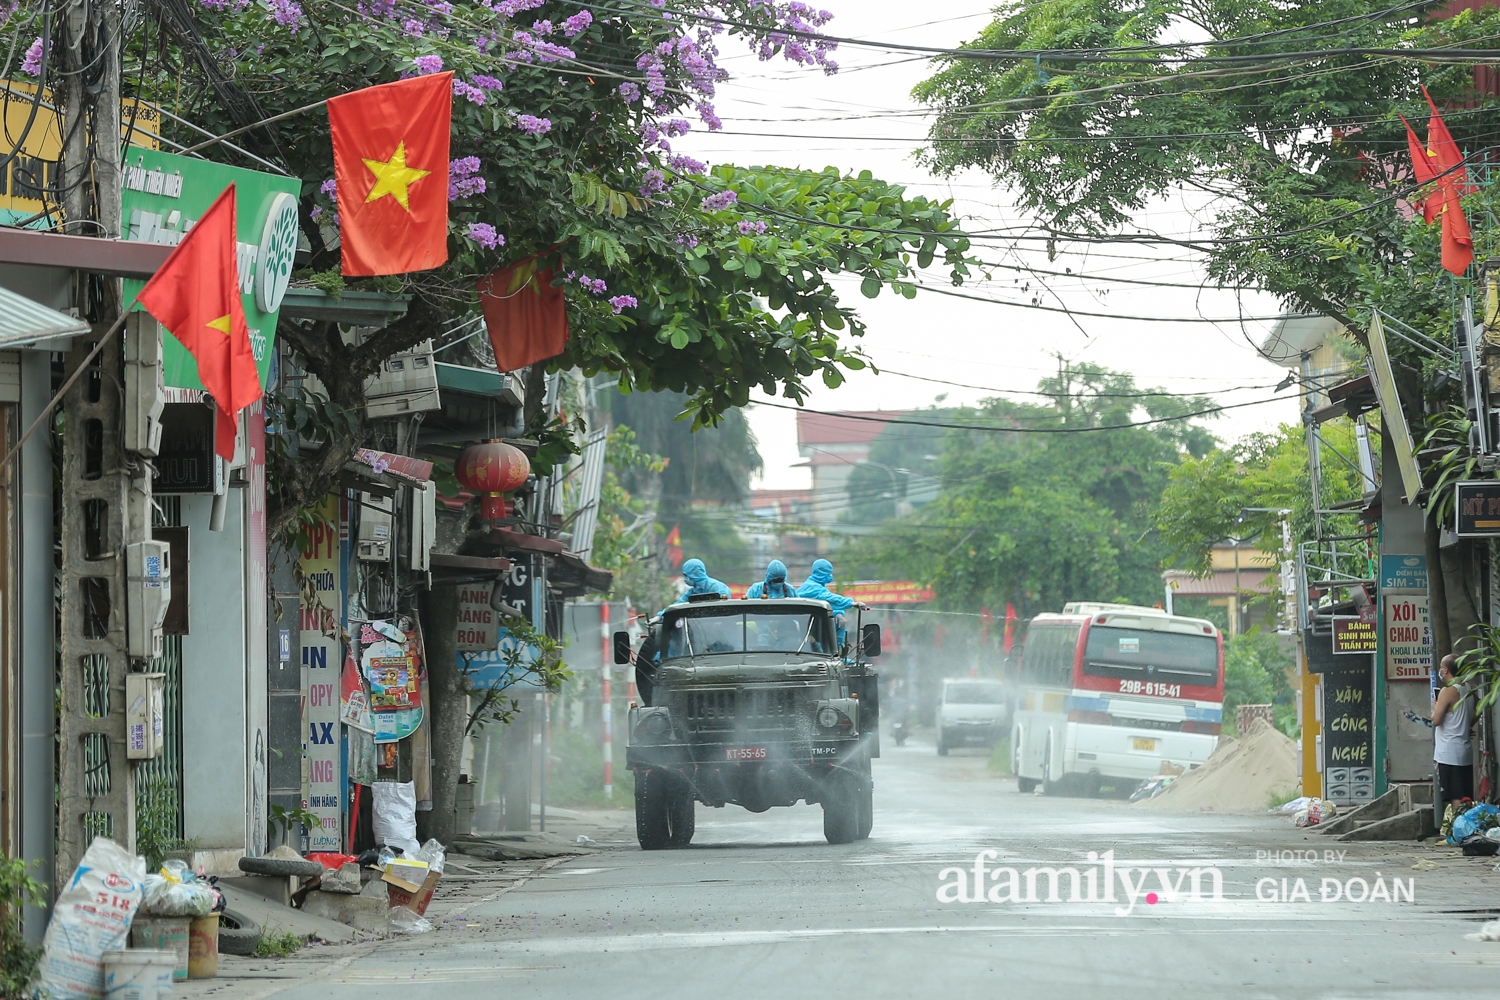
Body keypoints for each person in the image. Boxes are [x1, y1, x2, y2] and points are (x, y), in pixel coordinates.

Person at [1432, 653, 1474, 816]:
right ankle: (1466, 829)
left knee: (1455, 795)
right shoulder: (1467, 687)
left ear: (1446, 670)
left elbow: (1436, 720)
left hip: (1449, 753)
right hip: (1464, 750)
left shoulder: (1447, 691)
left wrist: (1434, 706)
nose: (1440, 671)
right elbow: (1475, 712)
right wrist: (1465, 726)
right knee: (1465, 795)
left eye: (1441, 668)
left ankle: (1459, 832)